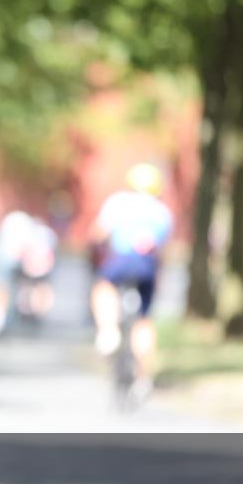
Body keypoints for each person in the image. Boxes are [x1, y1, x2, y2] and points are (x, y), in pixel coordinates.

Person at [89, 163, 173, 396]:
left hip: (122, 260)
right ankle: (143, 378)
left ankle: (108, 332)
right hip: (147, 267)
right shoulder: (163, 213)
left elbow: (98, 233)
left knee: (103, 287)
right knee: (144, 320)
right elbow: (161, 251)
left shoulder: (118, 202)